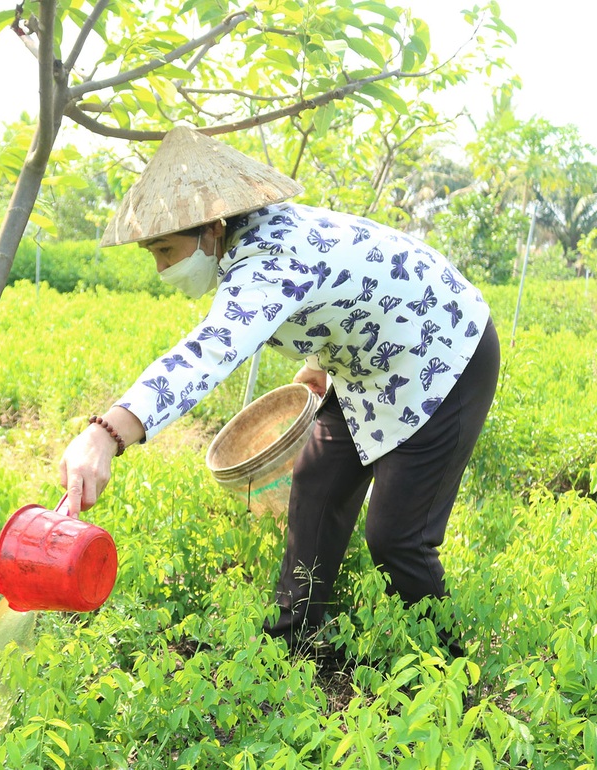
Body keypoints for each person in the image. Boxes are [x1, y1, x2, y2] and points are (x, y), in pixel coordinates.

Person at [59, 126, 500, 653]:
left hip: (447, 349)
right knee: (317, 484)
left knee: (397, 537)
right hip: (369, 363)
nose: (162, 268)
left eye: (166, 250)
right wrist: (320, 361)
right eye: (152, 254)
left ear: (212, 228)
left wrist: (107, 432)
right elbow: (341, 283)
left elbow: (210, 351)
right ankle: (293, 641)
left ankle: (449, 669)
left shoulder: (267, 259)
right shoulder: (253, 238)